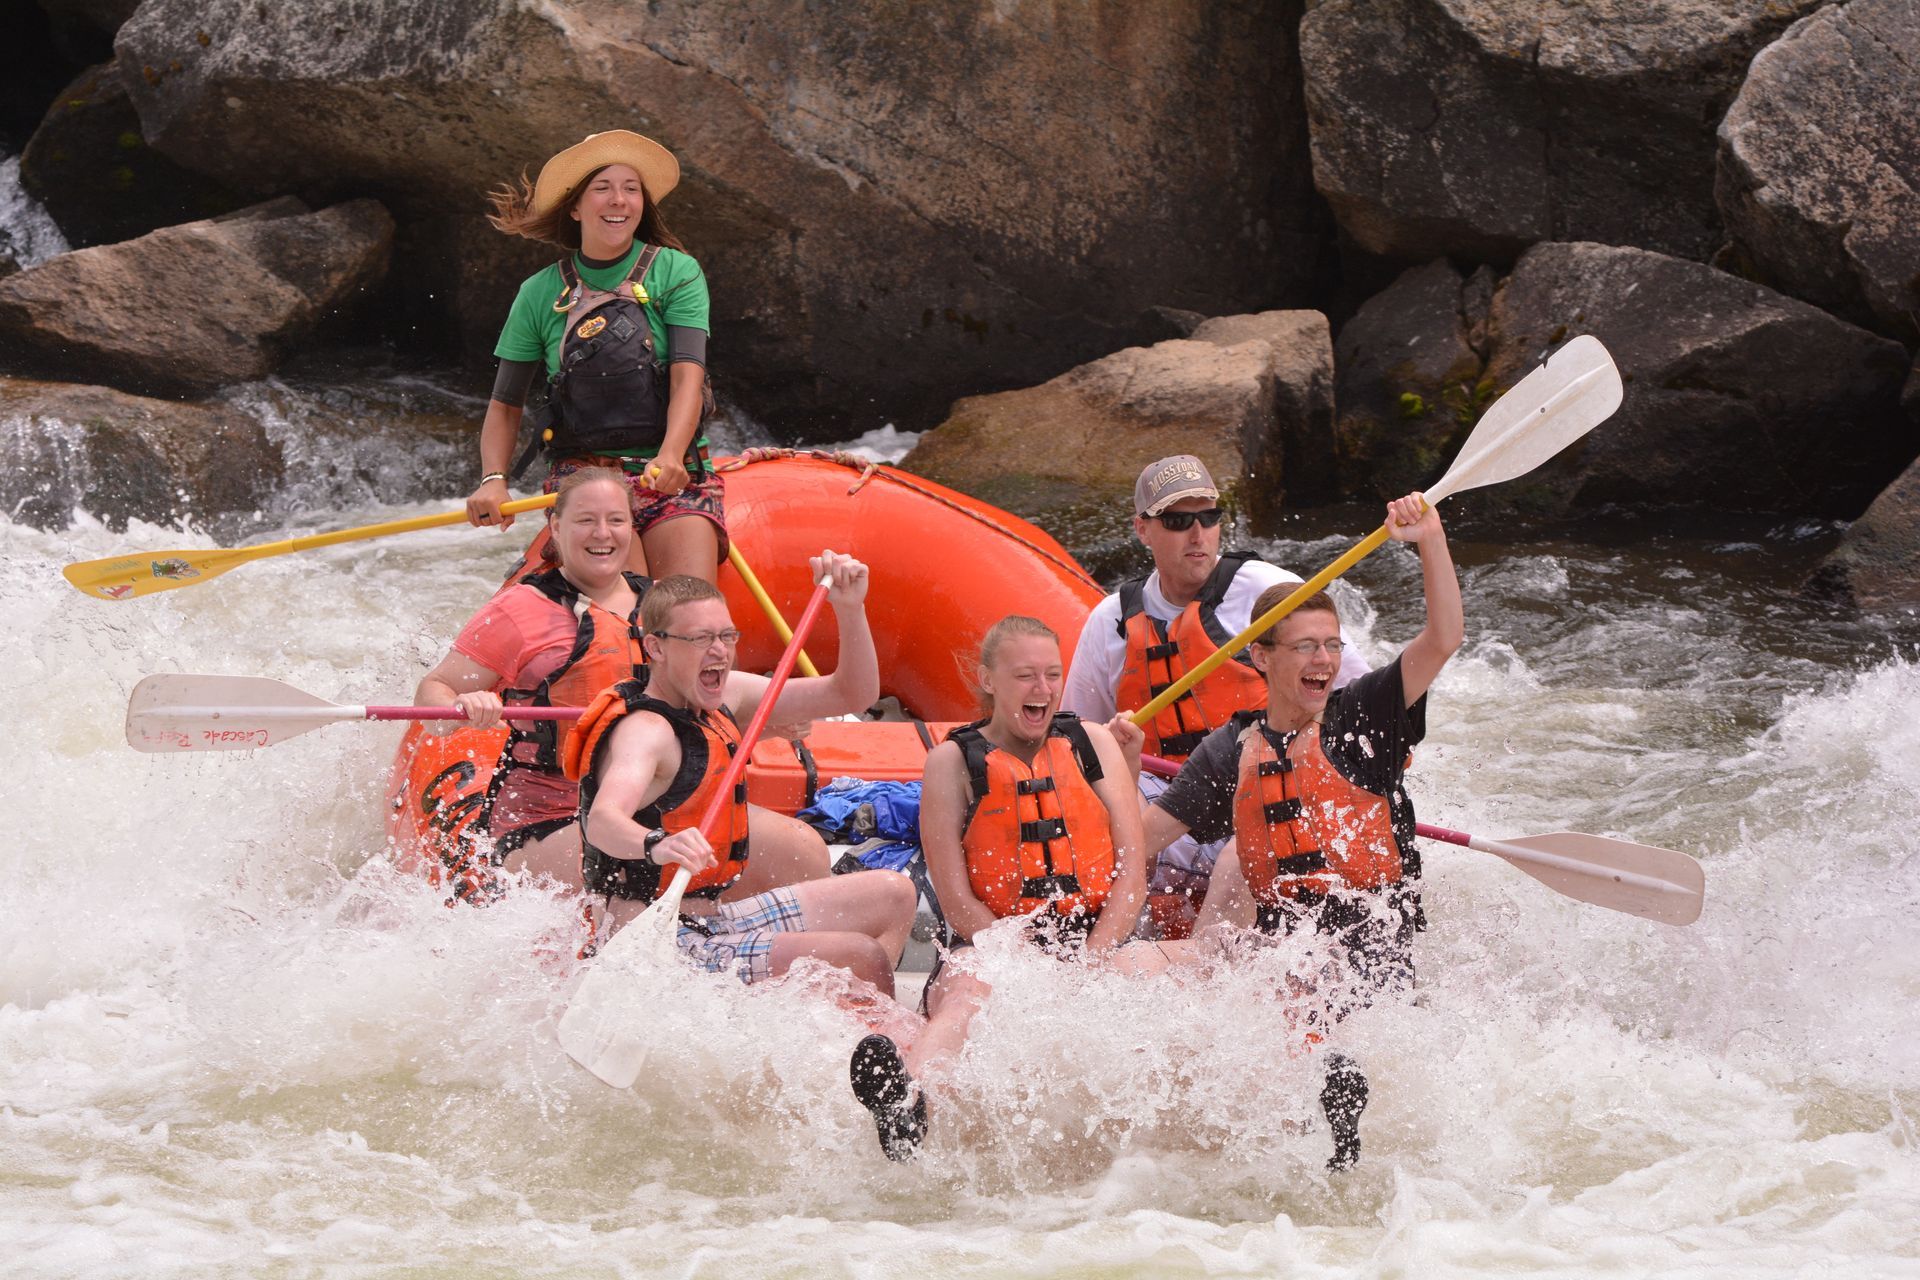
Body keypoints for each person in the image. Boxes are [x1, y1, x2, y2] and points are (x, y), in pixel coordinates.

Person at [1140, 491, 1462, 1170]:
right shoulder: (1232, 749)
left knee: (1306, 987)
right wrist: (1110, 765)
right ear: (1262, 658)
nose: (1323, 660)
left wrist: (1429, 539)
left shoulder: (1365, 714)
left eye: (1332, 646)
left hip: (1375, 945)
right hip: (1287, 948)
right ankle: (1312, 1101)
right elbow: (1139, 840)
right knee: (1230, 979)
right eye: (1305, 646)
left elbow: (1442, 640)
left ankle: (1333, 1105)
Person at [846, 616, 1159, 1162]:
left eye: (1052, 675)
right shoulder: (951, 762)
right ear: (989, 680)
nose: (1042, 689)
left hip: (1097, 939)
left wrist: (1093, 957)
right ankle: (907, 1104)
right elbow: (958, 900)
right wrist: (1023, 963)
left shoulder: (1095, 744)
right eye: (1025, 677)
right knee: (966, 996)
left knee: (1162, 974)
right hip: (997, 943)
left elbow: (1132, 875)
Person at [560, 565, 918, 995]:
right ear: (656, 647)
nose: (719, 651)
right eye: (700, 639)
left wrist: (849, 608)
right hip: (658, 944)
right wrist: (658, 844)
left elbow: (851, 695)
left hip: (713, 919)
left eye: (727, 636)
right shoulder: (645, 732)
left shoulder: (723, 695)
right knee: (861, 954)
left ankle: (860, 1025)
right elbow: (603, 820)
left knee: (895, 894)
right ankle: (876, 1039)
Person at [1061, 454, 1368, 935]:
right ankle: (1106, 944)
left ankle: (1209, 962)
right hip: (1172, 799)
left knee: (1247, 841)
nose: (1198, 534)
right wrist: (1117, 755)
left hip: (1267, 785)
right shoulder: (1110, 621)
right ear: (1143, 530)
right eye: (1179, 521)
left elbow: (1356, 698)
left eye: (1209, 517)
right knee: (1096, 817)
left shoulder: (1266, 593)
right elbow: (1075, 743)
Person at [464, 129, 723, 583]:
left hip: (667, 469)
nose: (618, 200)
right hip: (583, 475)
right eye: (602, 189)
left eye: (631, 189)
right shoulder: (538, 292)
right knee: (627, 611)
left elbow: (687, 376)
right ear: (576, 207)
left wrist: (671, 454)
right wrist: (493, 479)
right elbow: (506, 404)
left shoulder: (677, 271)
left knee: (687, 607)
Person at [415, 467, 650, 898]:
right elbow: (433, 697)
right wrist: (462, 707)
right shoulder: (519, 610)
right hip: (548, 813)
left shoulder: (662, 608)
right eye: (585, 520)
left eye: (616, 520)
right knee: (637, 862)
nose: (603, 533)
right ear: (556, 528)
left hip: (647, 800)